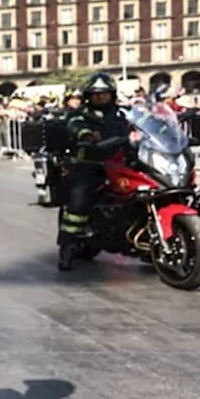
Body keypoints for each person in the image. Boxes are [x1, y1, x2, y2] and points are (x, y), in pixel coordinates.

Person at [57, 71, 131, 271]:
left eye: (104, 93)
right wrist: (86, 135)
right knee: (79, 201)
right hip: (90, 163)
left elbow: (141, 123)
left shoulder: (122, 114)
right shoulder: (80, 114)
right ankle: (68, 247)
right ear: (88, 97)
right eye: (96, 94)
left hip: (122, 164)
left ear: (112, 95)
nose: (100, 97)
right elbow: (74, 125)